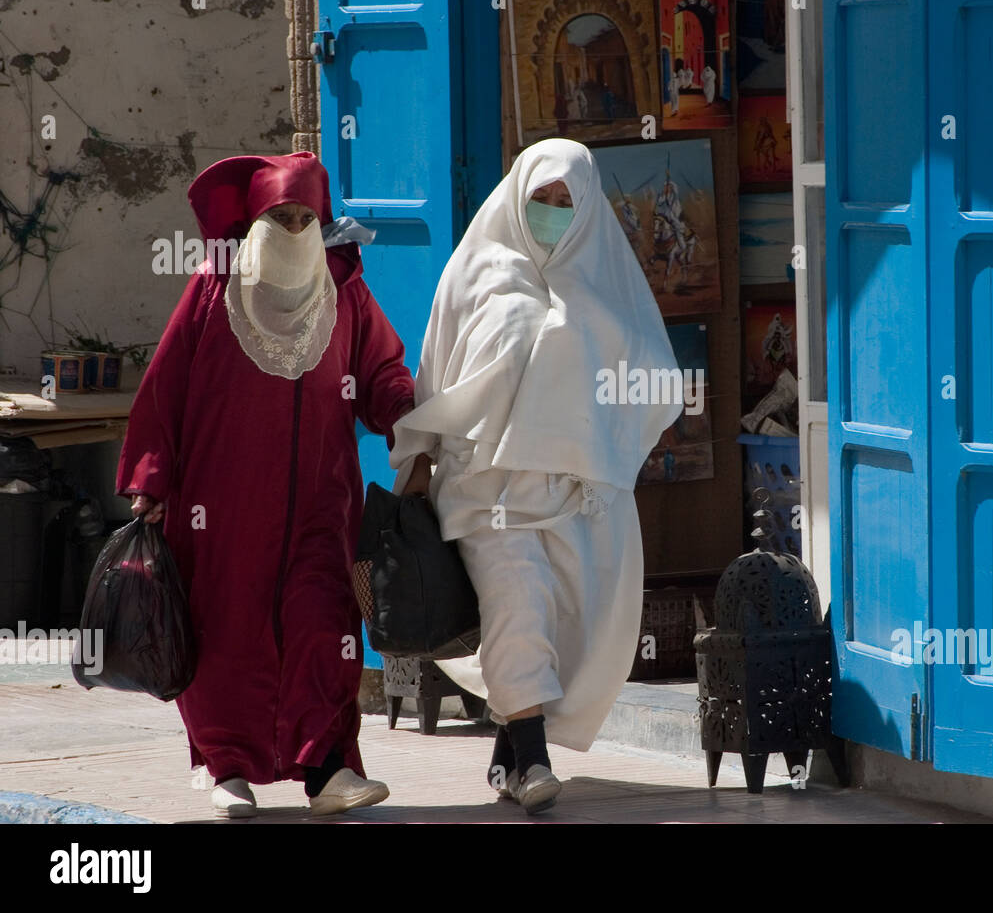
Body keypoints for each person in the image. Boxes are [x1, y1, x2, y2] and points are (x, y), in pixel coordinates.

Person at [117, 152, 415, 819]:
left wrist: (406, 416)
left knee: (321, 619)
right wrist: (152, 478)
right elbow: (166, 388)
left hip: (321, 500)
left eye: (305, 217)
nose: (293, 227)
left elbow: (381, 370)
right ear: (254, 221)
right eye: (279, 216)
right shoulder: (211, 289)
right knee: (226, 626)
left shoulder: (344, 292)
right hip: (219, 506)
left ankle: (328, 767)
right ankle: (226, 768)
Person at [390, 138, 681, 815]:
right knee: (519, 605)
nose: (550, 213)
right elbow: (435, 370)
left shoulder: (605, 285)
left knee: (557, 623)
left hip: (573, 494)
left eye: (564, 202)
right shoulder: (476, 273)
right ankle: (536, 762)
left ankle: (511, 751)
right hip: (484, 488)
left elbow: (653, 379)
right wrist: (419, 461)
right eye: (539, 200)